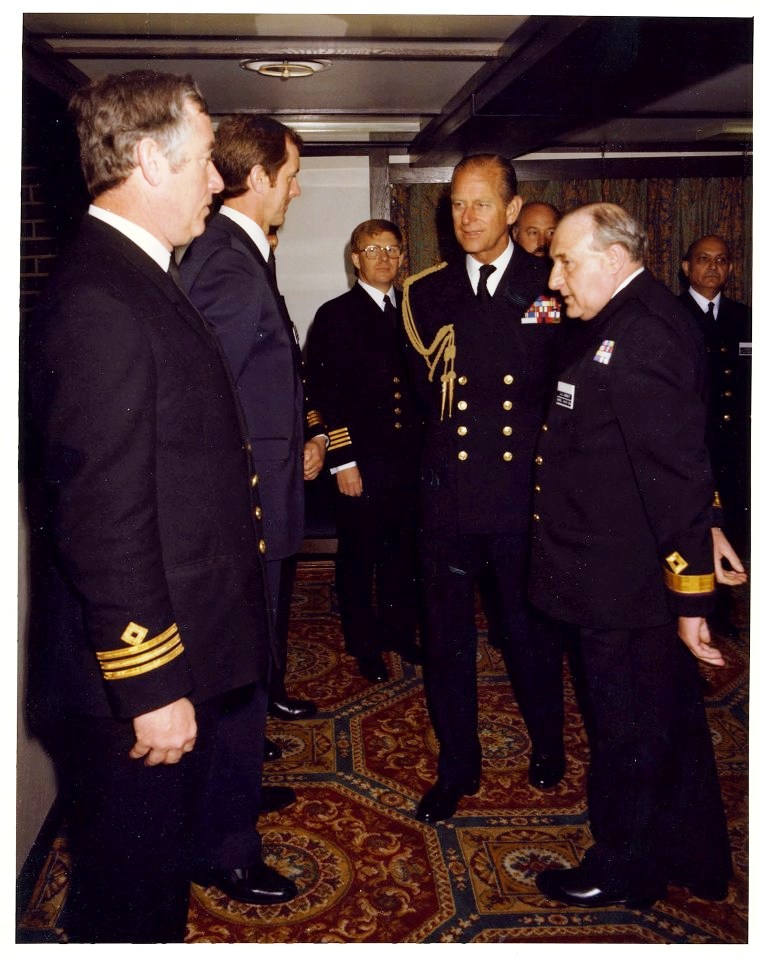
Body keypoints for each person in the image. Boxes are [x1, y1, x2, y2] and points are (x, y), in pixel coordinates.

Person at [21, 70, 292, 942]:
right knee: (131, 908)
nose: (218, 181)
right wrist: (153, 686)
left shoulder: (139, 275)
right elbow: (103, 513)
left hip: (160, 662)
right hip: (131, 686)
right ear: (147, 158)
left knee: (145, 883)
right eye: (208, 160)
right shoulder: (104, 297)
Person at [529, 202, 746, 908]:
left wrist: (691, 602)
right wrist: (707, 525)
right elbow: (672, 454)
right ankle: (698, 856)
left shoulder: (642, 333)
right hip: (622, 567)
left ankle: (626, 865)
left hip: (627, 583)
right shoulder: (630, 317)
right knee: (667, 720)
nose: (554, 277)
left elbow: (675, 467)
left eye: (565, 260)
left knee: (629, 730)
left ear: (614, 258)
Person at [401, 154, 567, 824]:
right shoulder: (425, 293)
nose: (467, 218)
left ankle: (548, 742)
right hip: (448, 502)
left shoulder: (548, 285)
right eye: (456, 206)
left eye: (480, 204)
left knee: (529, 633)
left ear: (510, 209)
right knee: (446, 640)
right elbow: (421, 404)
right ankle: (458, 764)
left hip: (520, 500)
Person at [180, 116, 327, 740]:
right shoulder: (229, 265)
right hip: (249, 496)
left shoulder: (245, 252)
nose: (296, 192)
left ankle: (258, 711)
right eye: (290, 178)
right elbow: (209, 400)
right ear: (260, 177)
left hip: (267, 482)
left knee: (259, 620)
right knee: (239, 632)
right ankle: (237, 758)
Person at [306, 219, 423, 684]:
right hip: (362, 462)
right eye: (373, 250)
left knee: (404, 553)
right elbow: (320, 394)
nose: (384, 258)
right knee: (360, 556)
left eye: (392, 250)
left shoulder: (413, 311)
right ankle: (363, 642)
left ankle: (398, 630)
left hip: (408, 460)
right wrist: (344, 461)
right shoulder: (335, 314)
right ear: (355, 258)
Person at [679, 234, 751, 560]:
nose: (713, 266)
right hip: (693, 445)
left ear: (731, 268)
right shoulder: (671, 316)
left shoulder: (748, 319)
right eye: (704, 258)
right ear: (686, 267)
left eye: (721, 260)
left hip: (738, 447)